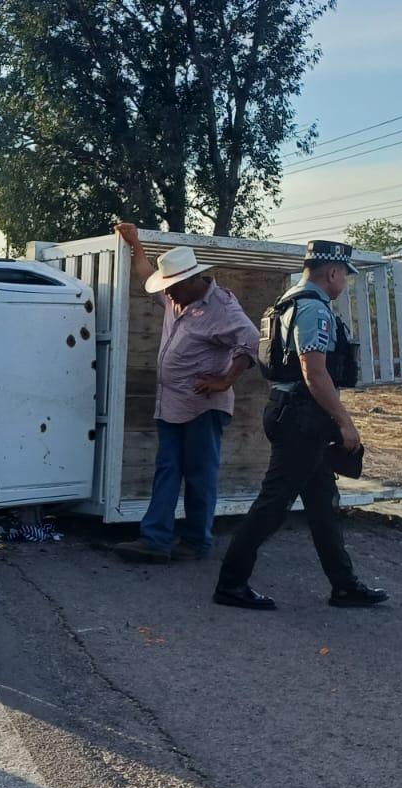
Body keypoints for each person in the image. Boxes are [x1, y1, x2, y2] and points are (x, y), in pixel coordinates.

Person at [211, 240, 387, 611]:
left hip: (294, 413)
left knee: (323, 504)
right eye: (346, 277)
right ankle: (230, 583)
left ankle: (344, 585)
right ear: (334, 273)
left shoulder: (287, 302)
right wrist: (346, 423)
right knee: (273, 504)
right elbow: (315, 373)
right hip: (303, 418)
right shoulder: (314, 311)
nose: (345, 284)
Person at [111, 223, 259, 563]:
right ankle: (155, 540)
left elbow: (250, 340)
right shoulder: (178, 295)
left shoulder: (223, 308)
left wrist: (226, 380)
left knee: (199, 474)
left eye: (173, 289)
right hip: (172, 403)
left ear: (193, 281)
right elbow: (148, 273)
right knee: (167, 469)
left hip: (203, 407)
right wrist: (135, 243)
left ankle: (196, 541)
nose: (168, 295)